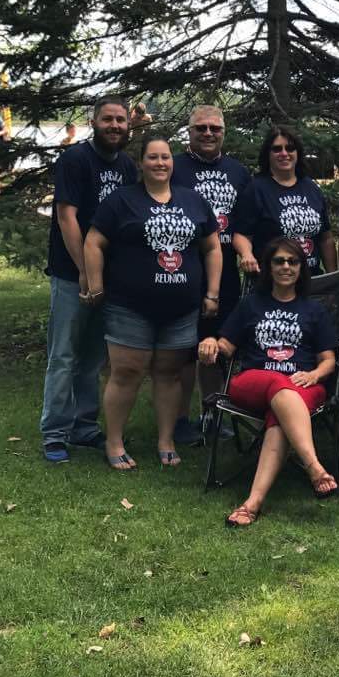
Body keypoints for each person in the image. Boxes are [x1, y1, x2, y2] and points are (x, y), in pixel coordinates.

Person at [84, 135, 222, 470]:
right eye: (152, 158)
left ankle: (166, 439)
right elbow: (93, 241)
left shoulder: (193, 201)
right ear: (141, 163)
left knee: (169, 373)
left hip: (181, 308)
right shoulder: (121, 201)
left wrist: (213, 293)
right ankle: (114, 441)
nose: (160, 163)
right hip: (129, 306)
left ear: (172, 163)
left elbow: (213, 247)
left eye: (165, 158)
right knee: (126, 372)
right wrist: (96, 284)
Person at [199, 237, 339, 526]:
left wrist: (313, 375)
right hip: (253, 381)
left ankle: (252, 504)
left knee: (280, 408)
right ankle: (313, 467)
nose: (286, 266)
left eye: (293, 261)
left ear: (302, 268)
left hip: (303, 384)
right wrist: (212, 342)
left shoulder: (315, 311)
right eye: (279, 261)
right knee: (279, 384)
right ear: (268, 267)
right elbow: (226, 345)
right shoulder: (251, 305)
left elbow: (329, 361)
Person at [41, 95, 137, 463]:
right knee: (63, 354)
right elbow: (67, 217)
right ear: (93, 122)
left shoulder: (128, 166)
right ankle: (54, 431)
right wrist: (84, 269)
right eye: (108, 119)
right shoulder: (75, 160)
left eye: (121, 120)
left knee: (94, 358)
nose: (115, 126)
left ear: (128, 126)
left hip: (110, 279)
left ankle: (83, 426)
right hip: (72, 275)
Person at [172, 105, 251, 442]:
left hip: (228, 272)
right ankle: (179, 419)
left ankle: (212, 415)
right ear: (189, 131)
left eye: (214, 128)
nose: (208, 133)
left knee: (216, 348)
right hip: (183, 270)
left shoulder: (238, 172)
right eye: (200, 128)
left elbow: (247, 220)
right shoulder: (173, 167)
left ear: (224, 132)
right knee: (183, 350)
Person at [232, 125, 336, 276]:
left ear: (298, 153)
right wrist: (247, 255)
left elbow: (326, 238)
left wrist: (332, 277)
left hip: (312, 280)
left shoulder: (311, 188)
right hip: (273, 282)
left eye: (290, 148)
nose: (284, 153)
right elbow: (241, 235)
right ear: (267, 154)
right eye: (277, 149)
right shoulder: (256, 189)